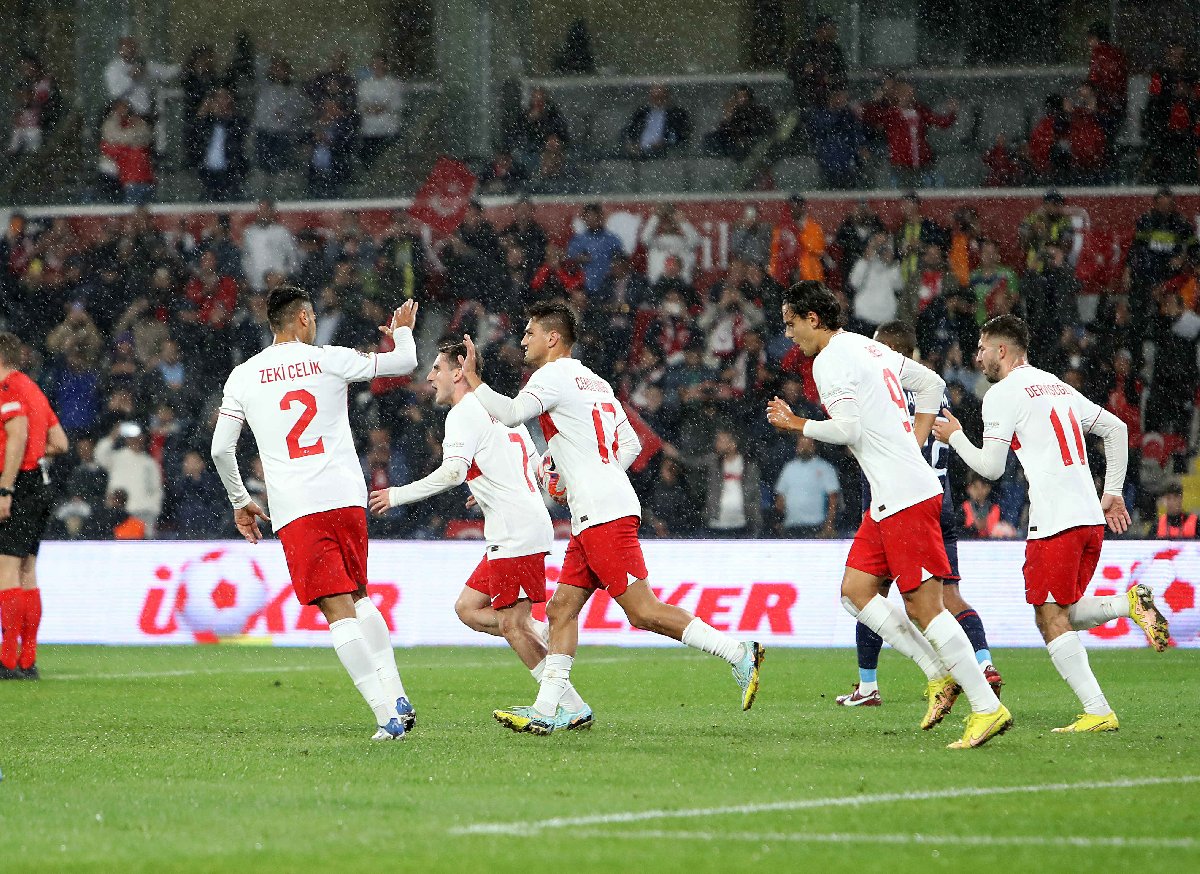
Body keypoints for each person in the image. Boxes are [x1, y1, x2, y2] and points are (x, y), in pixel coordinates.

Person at [457, 302, 764, 735]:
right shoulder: (597, 382)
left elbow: (508, 414)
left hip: (603, 513)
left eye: (529, 333)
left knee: (643, 611)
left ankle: (738, 652)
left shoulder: (551, 376)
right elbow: (631, 445)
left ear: (552, 338)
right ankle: (552, 710)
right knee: (561, 610)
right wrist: (590, 474)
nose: (523, 341)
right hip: (598, 509)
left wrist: (473, 378)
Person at [766, 282, 1010, 749]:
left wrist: (798, 423)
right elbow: (932, 384)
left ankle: (986, 707)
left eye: (791, 323)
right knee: (856, 593)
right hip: (891, 495)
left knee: (925, 607)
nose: (789, 333)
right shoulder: (866, 346)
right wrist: (914, 439)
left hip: (904, 495)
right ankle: (939, 675)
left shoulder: (828, 361)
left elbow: (848, 428)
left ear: (812, 319)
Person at [933, 315, 1171, 733]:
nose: (978, 357)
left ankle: (1098, 710)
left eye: (983, 348)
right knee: (1060, 612)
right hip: (1089, 519)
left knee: (1050, 617)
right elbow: (1116, 429)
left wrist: (954, 436)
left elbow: (990, 468)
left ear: (1002, 350)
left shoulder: (1002, 393)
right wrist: (1113, 491)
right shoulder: (1055, 384)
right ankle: (1127, 604)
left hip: (1056, 521)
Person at [210, 288, 420, 741]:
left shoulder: (244, 376)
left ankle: (386, 715)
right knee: (359, 596)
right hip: (346, 497)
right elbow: (405, 363)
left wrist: (240, 500)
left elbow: (220, 449)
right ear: (304, 318)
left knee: (336, 610)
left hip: (297, 506)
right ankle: (397, 695)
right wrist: (402, 333)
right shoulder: (330, 358)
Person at [368, 341, 593, 731]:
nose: (430, 377)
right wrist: (488, 484)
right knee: (468, 609)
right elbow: (532, 465)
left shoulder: (463, 412)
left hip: (514, 531)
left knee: (511, 626)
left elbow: (453, 472)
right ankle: (546, 641)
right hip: (521, 524)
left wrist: (397, 495)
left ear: (458, 372)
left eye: (437, 368)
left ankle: (568, 704)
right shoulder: (501, 408)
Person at [834, 321, 1002, 709]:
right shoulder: (935, 391)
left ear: (886, 350)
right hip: (938, 500)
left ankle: (869, 685)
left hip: (895, 503)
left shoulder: (879, 388)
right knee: (948, 596)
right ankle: (984, 664)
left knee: (871, 596)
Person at [0, 332, 69, 680]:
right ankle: (27, 660)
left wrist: (6, 487)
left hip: (18, 484)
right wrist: (33, 455)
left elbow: (17, 435)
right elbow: (60, 442)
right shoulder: (33, 388)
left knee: (6, 569)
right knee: (27, 570)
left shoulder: (8, 388)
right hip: (39, 483)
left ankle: (7, 661)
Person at [774, 434, 839, 537]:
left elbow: (833, 499)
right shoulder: (789, 468)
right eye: (801, 444)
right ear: (797, 447)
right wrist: (778, 521)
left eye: (808, 444)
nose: (804, 448)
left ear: (814, 446)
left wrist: (829, 524)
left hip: (816, 526)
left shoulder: (825, 467)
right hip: (792, 525)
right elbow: (780, 498)